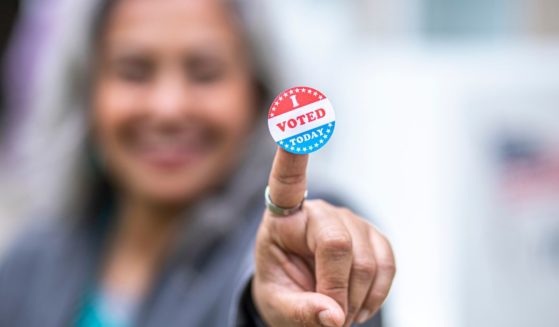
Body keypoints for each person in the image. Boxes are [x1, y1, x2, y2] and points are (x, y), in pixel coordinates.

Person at [0, 0, 396, 326]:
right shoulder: (33, 259)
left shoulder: (302, 237)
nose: (169, 108)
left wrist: (268, 314)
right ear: (86, 93)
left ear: (256, 92)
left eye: (205, 73)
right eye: (133, 71)